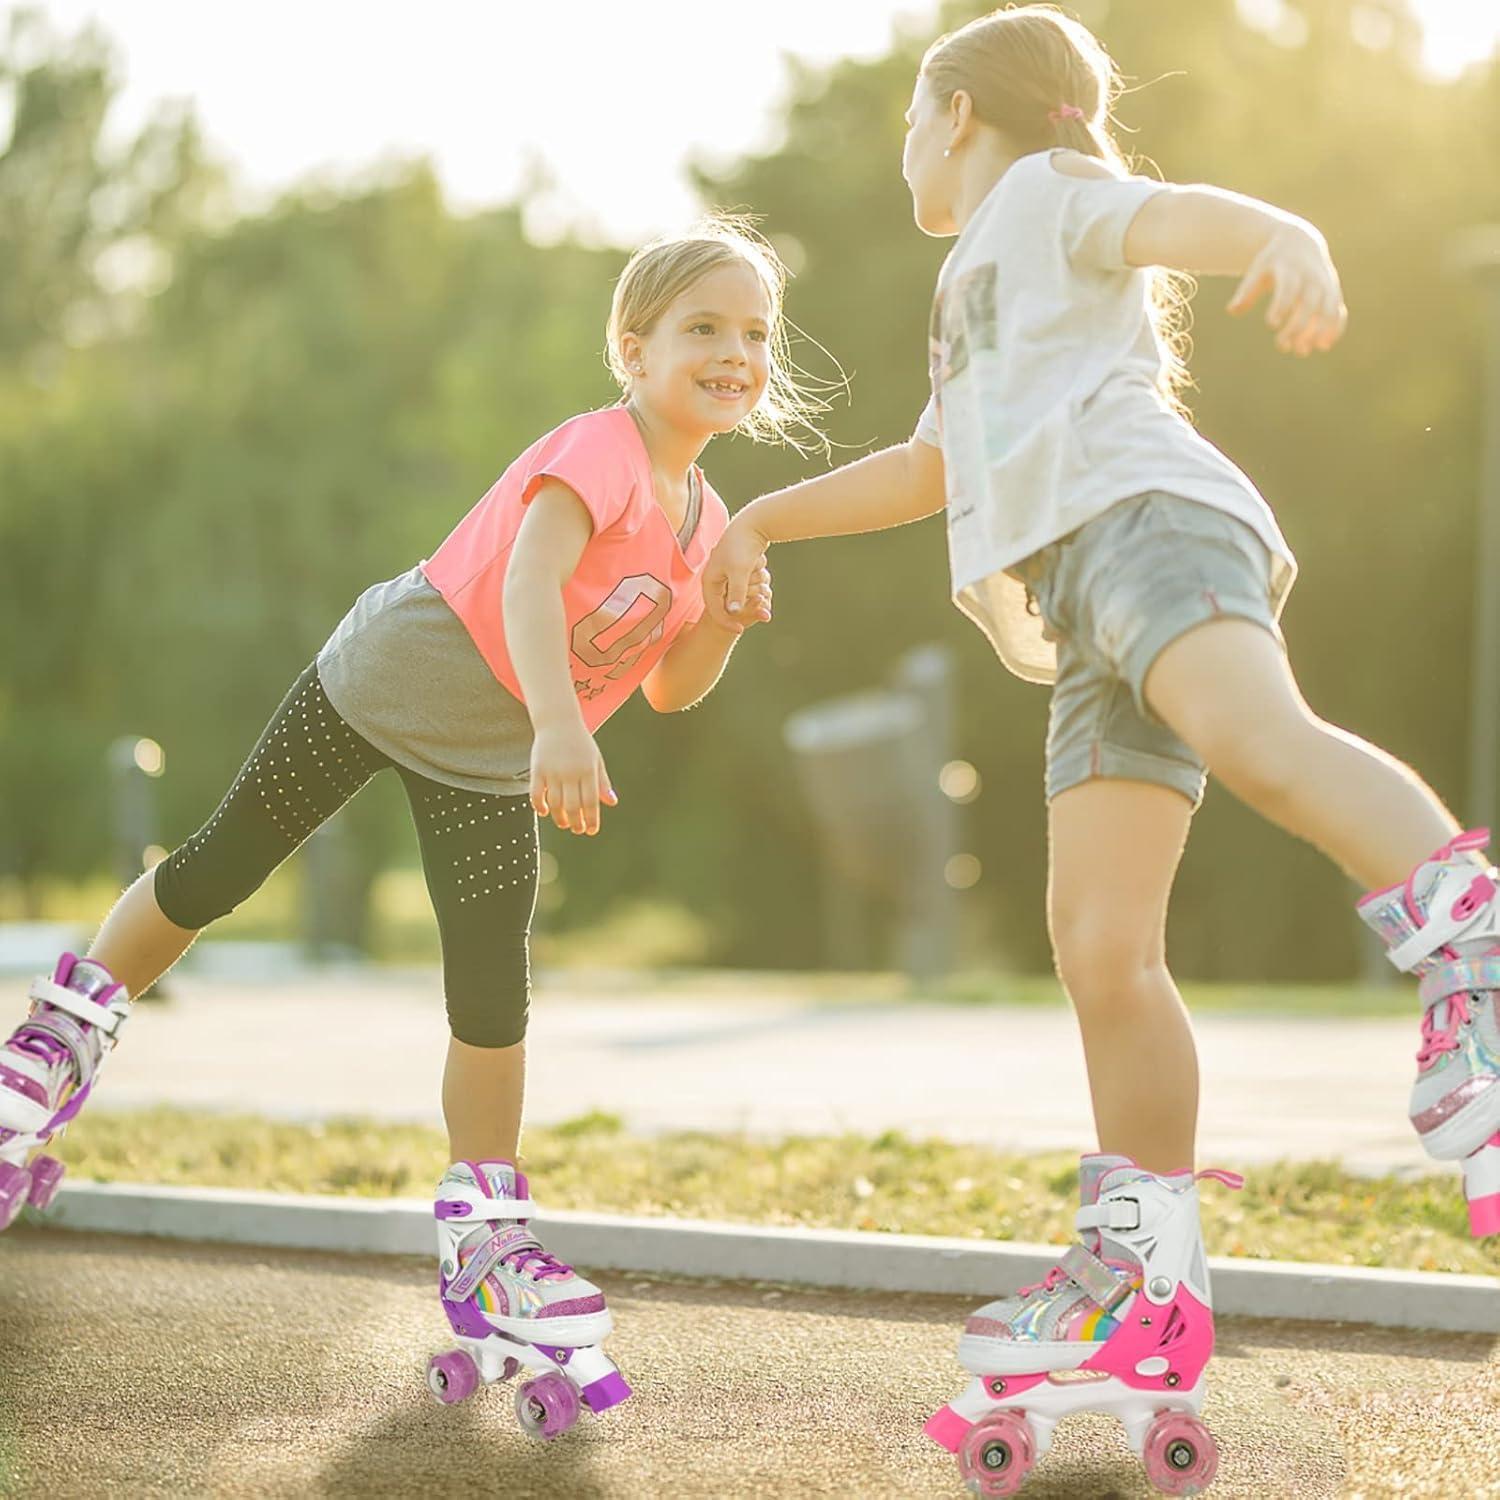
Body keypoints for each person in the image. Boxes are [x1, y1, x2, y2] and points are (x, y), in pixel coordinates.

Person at [702, 5, 1498, 1487]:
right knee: (1101, 948)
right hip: (1082, 603)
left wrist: (1285, 235)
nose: (903, 149)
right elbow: (930, 466)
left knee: (1261, 741)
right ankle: (1143, 1284)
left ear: (957, 114)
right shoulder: (969, 283)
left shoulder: (1048, 192)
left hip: (1148, 523)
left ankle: (1480, 959)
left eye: (908, 120)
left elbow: (1169, 215)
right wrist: (759, 518)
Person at [0, 216, 803, 1436]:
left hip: (490, 756)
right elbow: (530, 580)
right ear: (634, 350)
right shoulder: (599, 448)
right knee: (219, 869)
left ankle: (488, 1233)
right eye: (704, 328)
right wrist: (558, 724)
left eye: (755, 333)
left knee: (492, 989)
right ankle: (50, 1051)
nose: (734, 352)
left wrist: (726, 622)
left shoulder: (702, 517)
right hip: (391, 678)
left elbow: (669, 686)